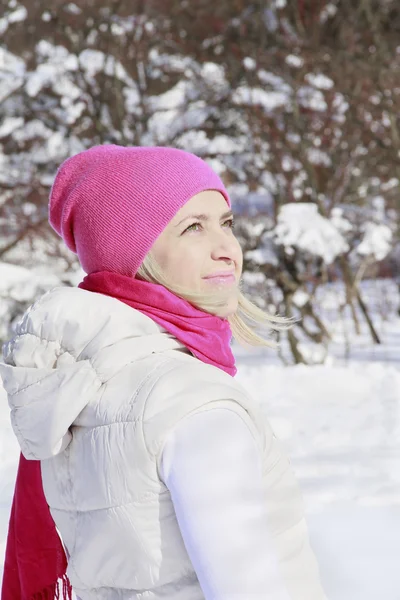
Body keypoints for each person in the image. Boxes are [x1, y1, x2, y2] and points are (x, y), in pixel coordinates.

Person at [0, 145, 328, 600]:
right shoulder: (192, 401)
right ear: (134, 254)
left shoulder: (72, 386)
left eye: (226, 223)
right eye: (193, 227)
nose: (227, 249)